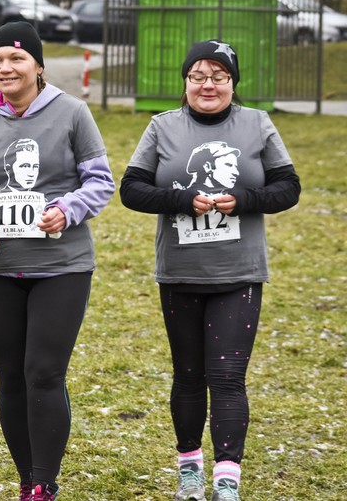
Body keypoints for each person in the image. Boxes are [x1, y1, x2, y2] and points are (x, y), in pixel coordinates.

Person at [0, 21, 115, 501]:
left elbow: (100, 180)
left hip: (61, 267)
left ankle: (45, 482)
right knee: (11, 375)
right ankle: (26, 479)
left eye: (16, 58)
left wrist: (67, 210)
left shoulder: (72, 113)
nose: (5, 68)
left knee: (43, 372)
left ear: (38, 66)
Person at [119, 39, 301, 501]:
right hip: (180, 271)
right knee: (188, 376)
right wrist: (181, 199)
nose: (208, 85)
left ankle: (226, 479)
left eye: (219, 77)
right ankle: (189, 473)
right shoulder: (162, 127)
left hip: (238, 272)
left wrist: (243, 200)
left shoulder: (257, 124)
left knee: (226, 377)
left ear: (232, 84)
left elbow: (289, 187)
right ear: (185, 82)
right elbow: (132, 189)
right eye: (198, 76)